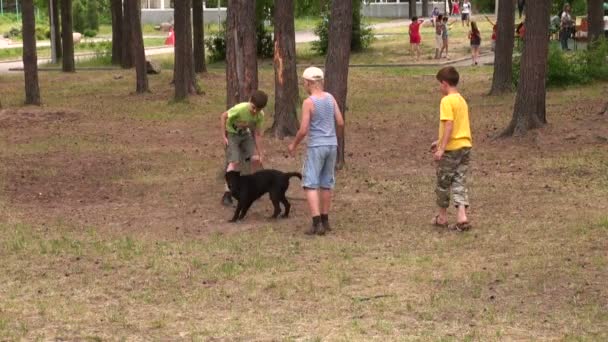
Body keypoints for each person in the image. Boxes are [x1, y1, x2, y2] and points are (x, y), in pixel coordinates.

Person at [288, 67, 344, 236]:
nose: (304, 85)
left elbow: (304, 129)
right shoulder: (330, 98)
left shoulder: (309, 102)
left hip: (316, 147)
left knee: (310, 183)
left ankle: (316, 222)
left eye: (304, 82)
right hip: (331, 145)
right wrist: (335, 139)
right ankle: (326, 220)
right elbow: (340, 122)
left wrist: (294, 144)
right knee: (326, 183)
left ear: (309, 83)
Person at [431, 67, 472, 232]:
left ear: (445, 83)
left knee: (443, 182)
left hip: (452, 149)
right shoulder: (461, 100)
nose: (439, 88)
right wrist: (438, 141)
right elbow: (458, 126)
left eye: (439, 84)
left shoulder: (446, 101)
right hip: (465, 146)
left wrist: (442, 148)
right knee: (459, 179)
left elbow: (449, 125)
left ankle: (442, 217)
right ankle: (462, 216)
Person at [220, 90, 268, 206]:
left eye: (258, 109)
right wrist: (223, 136)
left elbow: (257, 134)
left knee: (254, 160)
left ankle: (253, 189)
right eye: (253, 107)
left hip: (245, 135)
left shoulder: (260, 115)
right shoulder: (240, 108)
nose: (255, 111)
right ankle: (227, 194)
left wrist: (261, 153)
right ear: (250, 101)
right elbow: (223, 116)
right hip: (232, 135)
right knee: (234, 161)